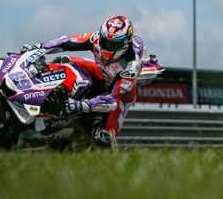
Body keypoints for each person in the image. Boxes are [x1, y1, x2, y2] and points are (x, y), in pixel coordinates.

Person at [21, 15, 146, 145]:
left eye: (113, 44)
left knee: (104, 139)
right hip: (101, 72)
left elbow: (112, 99)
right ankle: (39, 92)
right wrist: (38, 49)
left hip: (120, 92)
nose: (106, 47)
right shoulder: (95, 38)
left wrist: (81, 105)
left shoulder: (131, 65)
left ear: (125, 44)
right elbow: (65, 41)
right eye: (104, 41)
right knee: (64, 60)